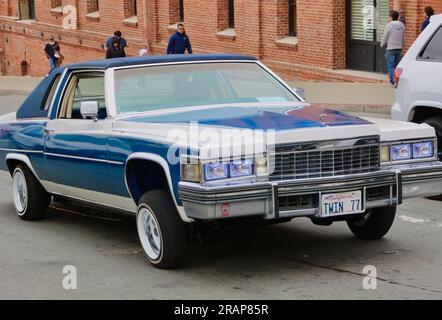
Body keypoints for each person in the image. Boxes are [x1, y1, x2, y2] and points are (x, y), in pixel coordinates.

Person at [381, 10, 405, 86]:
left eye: (389, 16)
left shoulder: (389, 25)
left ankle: (394, 81)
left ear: (391, 17)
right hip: (399, 48)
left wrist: (382, 44)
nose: (388, 18)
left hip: (391, 48)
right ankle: (397, 80)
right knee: (396, 66)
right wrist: (402, 46)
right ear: (397, 17)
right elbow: (404, 38)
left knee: (391, 66)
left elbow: (385, 36)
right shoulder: (402, 25)